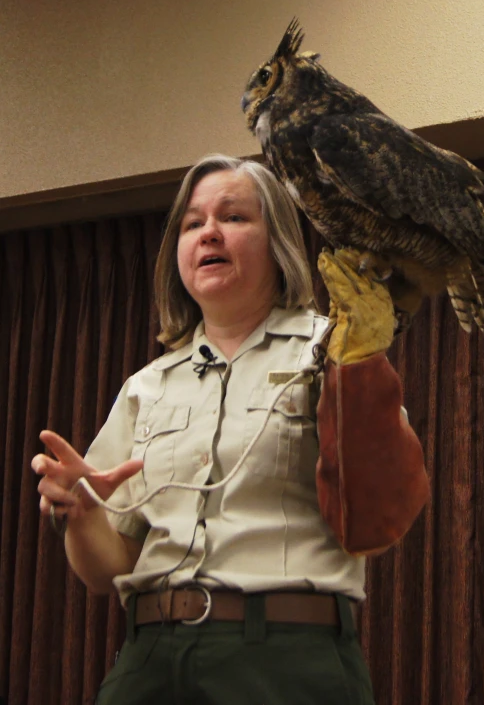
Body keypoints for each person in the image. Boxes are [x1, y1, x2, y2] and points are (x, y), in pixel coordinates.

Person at [32, 154, 430, 705]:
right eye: (193, 224)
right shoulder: (146, 387)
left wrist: (358, 370)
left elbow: (381, 508)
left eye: (233, 217)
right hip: (149, 660)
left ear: (279, 242)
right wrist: (80, 514)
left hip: (285, 658)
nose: (209, 233)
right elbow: (108, 571)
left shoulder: (338, 349)